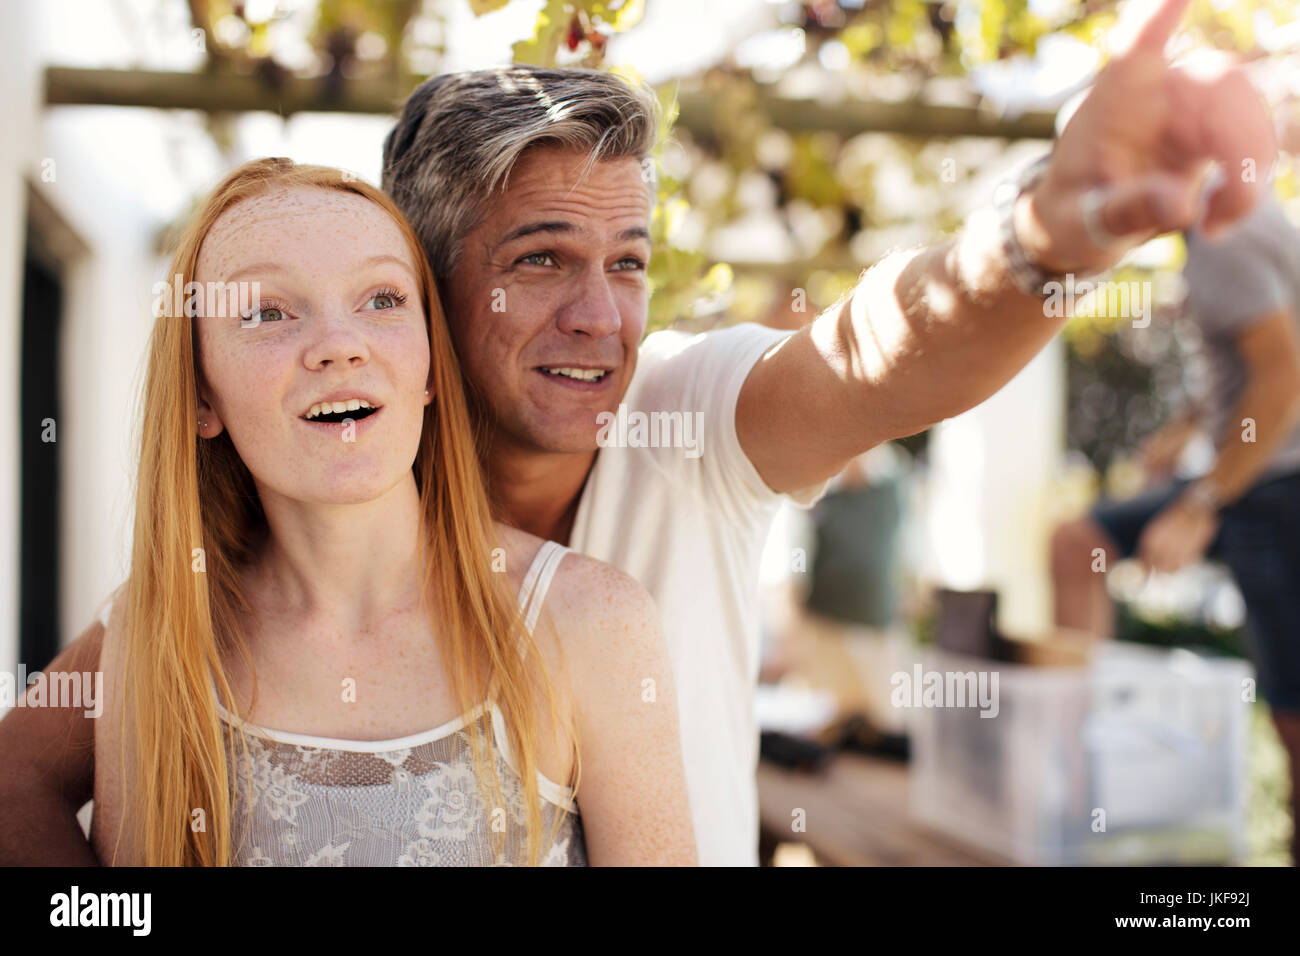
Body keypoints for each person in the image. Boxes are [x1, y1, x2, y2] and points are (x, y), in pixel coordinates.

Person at [0, 0, 1278, 865]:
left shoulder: (681, 421)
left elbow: (883, 355)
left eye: (628, 260)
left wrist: (1053, 235)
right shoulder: (194, 601)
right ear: (430, 298)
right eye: (543, 259)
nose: (600, 316)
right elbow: (22, 777)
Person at [88, 158, 695, 866]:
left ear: (433, 366)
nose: (340, 345)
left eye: (380, 299)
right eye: (268, 312)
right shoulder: (153, 634)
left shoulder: (589, 623)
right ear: (200, 394)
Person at [1051, 193, 1300, 863]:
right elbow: (1256, 353)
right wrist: (1188, 425)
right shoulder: (1234, 221)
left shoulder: (1226, 235)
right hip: (1244, 471)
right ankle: (1081, 785)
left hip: (1276, 483)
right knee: (1079, 543)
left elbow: (1282, 375)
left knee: (1294, 718)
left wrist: (1200, 505)